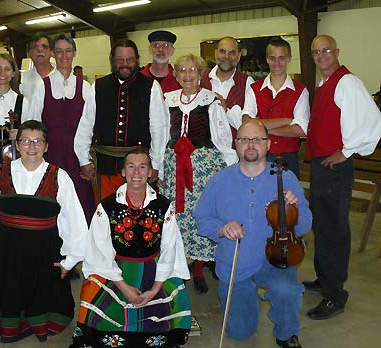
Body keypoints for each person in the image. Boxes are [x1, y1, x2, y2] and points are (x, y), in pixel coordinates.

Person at [193, 119, 312, 348]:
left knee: (287, 290)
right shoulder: (220, 180)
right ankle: (247, 305)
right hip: (235, 264)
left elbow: (306, 224)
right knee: (240, 333)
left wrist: (294, 210)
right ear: (235, 144)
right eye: (244, 139)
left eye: (257, 139)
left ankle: (286, 332)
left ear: (268, 144)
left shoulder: (285, 178)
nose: (250, 144)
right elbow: (202, 220)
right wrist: (222, 228)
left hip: (275, 259)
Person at [0, 120, 88, 343]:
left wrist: (69, 260)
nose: (31, 146)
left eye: (38, 141)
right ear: (17, 145)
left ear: (46, 146)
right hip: (5, 255)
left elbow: (73, 220)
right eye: (26, 141)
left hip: (43, 256)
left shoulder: (59, 177)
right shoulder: (0, 173)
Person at [71, 149, 191, 348]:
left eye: (143, 166)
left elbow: (170, 249)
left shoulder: (163, 206)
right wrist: (124, 287)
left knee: (176, 294)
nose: (137, 172)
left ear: (150, 172)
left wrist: (155, 289)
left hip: (154, 268)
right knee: (91, 290)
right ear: (123, 172)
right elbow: (99, 251)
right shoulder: (106, 207)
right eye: (131, 166)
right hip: (116, 270)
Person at [303, 34, 381, 320]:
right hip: (322, 166)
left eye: (326, 50)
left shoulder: (347, 83)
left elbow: (373, 121)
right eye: (316, 52)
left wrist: (347, 152)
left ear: (336, 51)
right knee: (322, 226)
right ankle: (325, 279)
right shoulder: (325, 84)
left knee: (335, 230)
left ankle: (335, 294)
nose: (321, 55)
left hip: (335, 169)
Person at [162, 54, 237, 294]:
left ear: (201, 73)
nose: (187, 75)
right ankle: (180, 267)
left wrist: (229, 170)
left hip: (203, 167)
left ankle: (198, 270)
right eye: (182, 70)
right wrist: (160, 166)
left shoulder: (210, 101)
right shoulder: (168, 101)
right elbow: (162, 134)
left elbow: (222, 137)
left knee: (201, 215)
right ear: (175, 74)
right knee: (177, 217)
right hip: (175, 167)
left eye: (192, 70)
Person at [74, 38, 168, 203]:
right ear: (112, 60)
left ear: (137, 60)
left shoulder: (151, 87)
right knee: (106, 215)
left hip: (139, 168)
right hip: (105, 166)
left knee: (138, 215)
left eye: (130, 60)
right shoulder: (98, 86)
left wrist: (156, 164)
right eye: (120, 60)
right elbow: (86, 124)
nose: (125, 64)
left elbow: (159, 129)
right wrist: (83, 159)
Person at [40, 34, 95, 224]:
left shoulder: (86, 87)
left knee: (80, 206)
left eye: (68, 51)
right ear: (53, 55)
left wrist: (86, 160)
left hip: (76, 158)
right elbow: (32, 125)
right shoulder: (42, 86)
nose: (64, 56)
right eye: (59, 51)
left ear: (74, 54)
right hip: (50, 158)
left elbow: (92, 126)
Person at [242, 38, 310, 178]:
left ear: (289, 59)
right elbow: (247, 123)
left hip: (288, 159)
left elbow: (301, 129)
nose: (277, 63)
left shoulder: (301, 90)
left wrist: (261, 127)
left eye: (281, 58)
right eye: (272, 58)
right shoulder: (253, 89)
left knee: (287, 198)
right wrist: (287, 120)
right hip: (257, 155)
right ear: (267, 59)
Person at [200, 36, 254, 146]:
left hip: (235, 154)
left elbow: (249, 126)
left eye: (232, 52)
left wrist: (226, 111)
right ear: (215, 54)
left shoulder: (248, 82)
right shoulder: (200, 78)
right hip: (203, 152)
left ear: (238, 56)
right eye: (222, 51)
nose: (226, 56)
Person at [19, 32, 54, 119]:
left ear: (52, 52)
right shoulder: (21, 80)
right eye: (35, 47)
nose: (39, 50)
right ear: (29, 54)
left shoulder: (62, 78)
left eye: (44, 47)